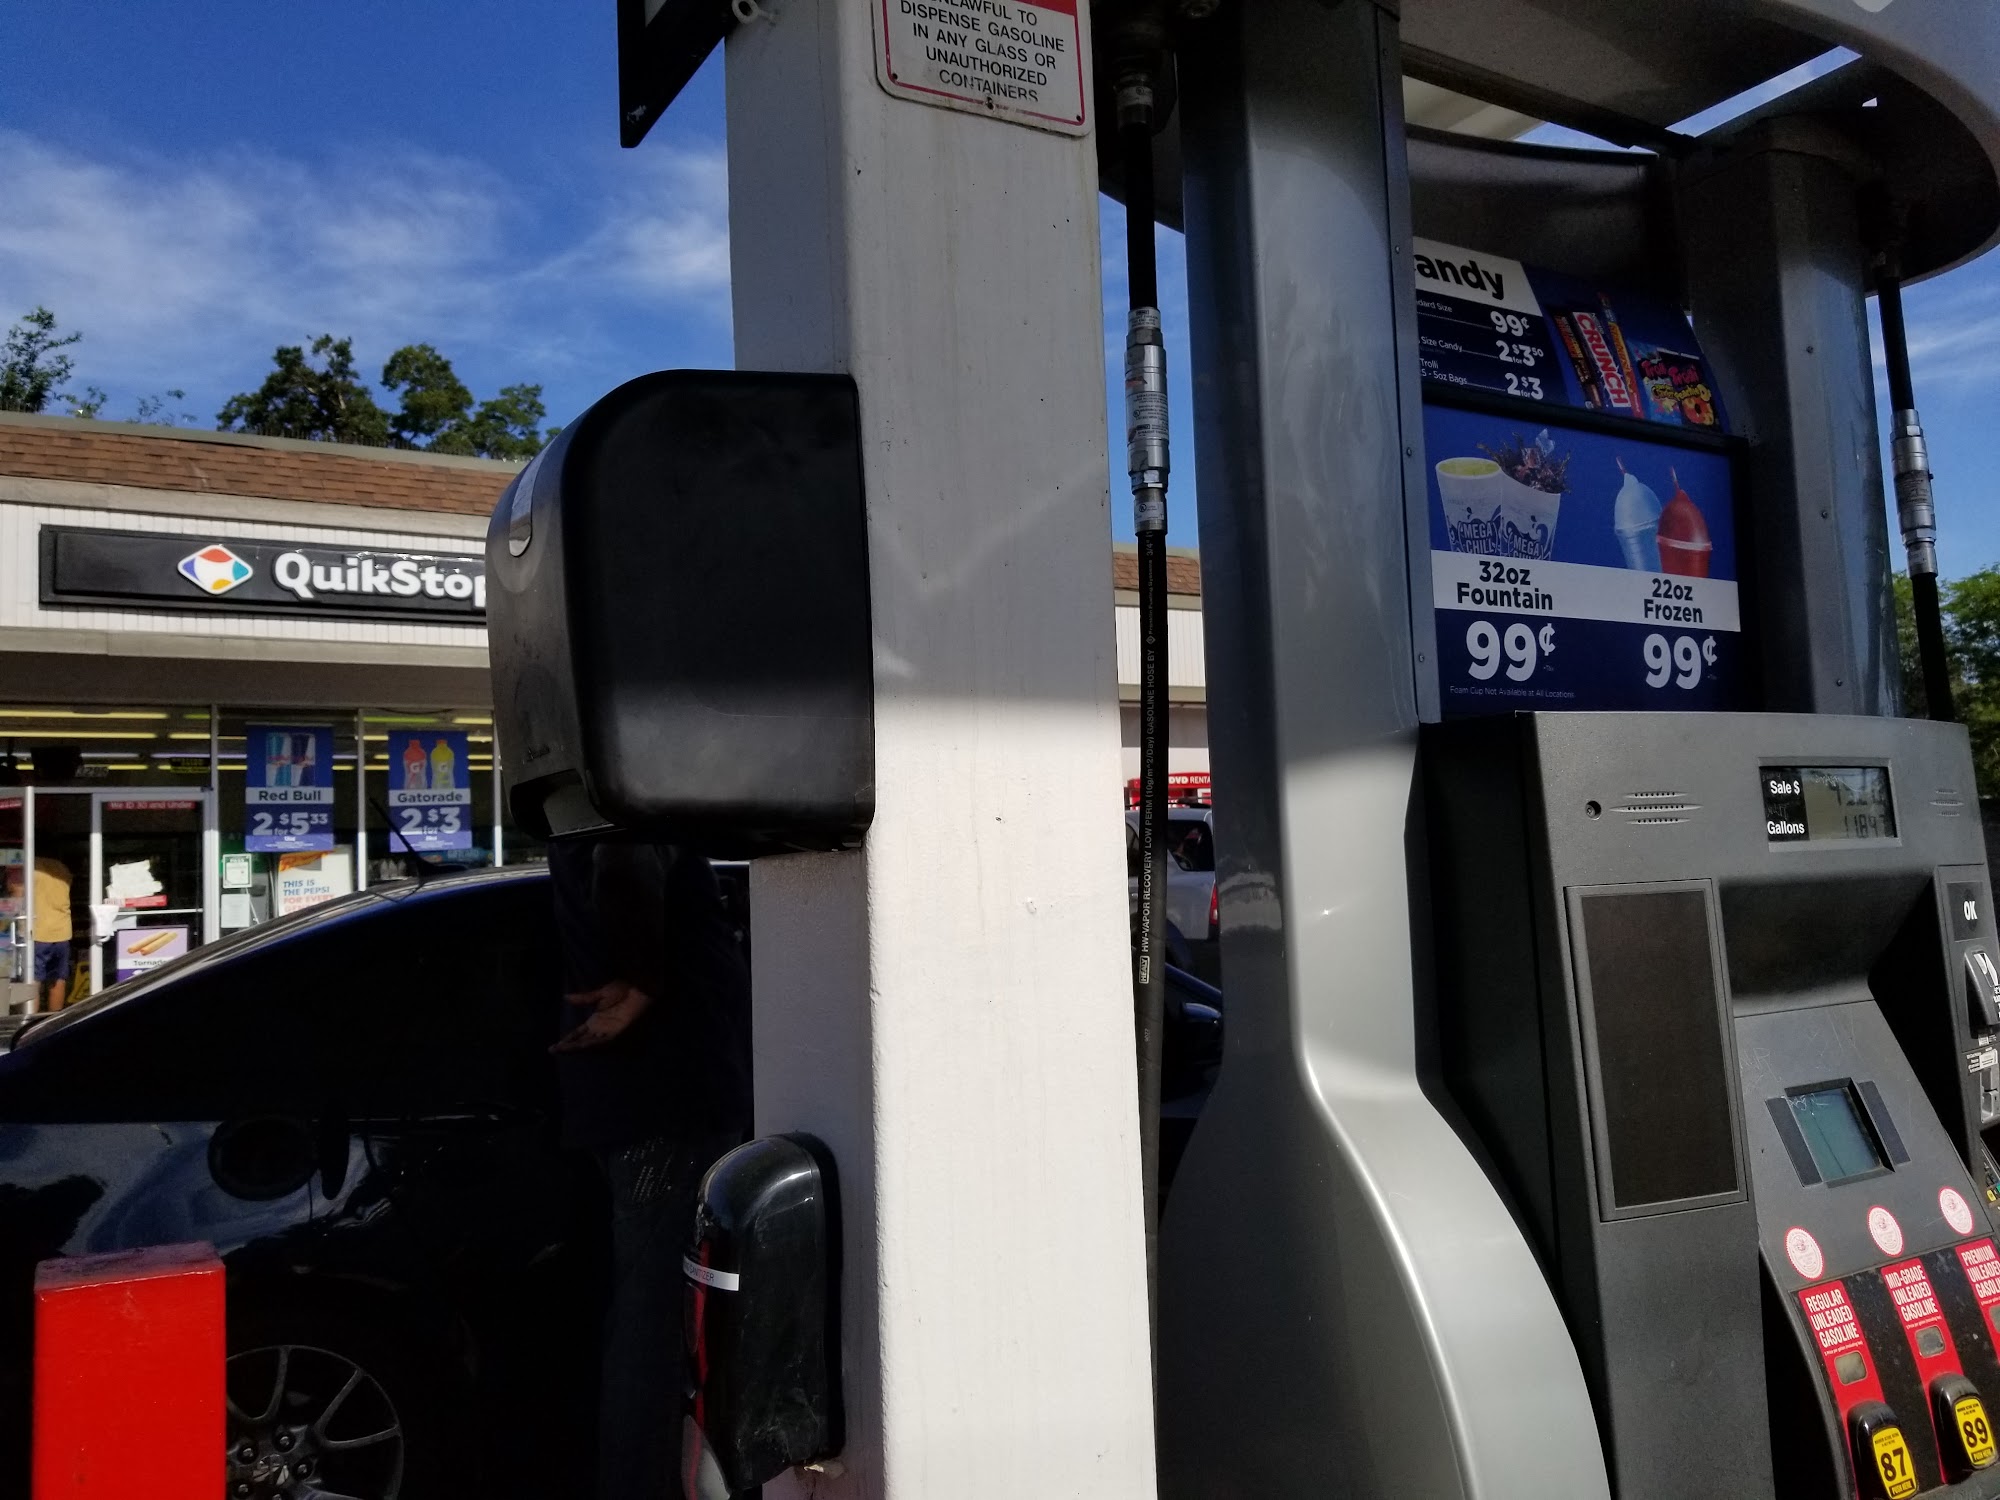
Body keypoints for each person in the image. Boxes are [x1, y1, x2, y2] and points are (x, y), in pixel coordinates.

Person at [548, 838, 752, 1500]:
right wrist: (644, 984)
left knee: (649, 1319)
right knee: (658, 1327)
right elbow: (628, 855)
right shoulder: (630, 802)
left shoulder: (574, 805)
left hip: (636, 1097)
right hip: (668, 1095)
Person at [31, 855, 73, 1011]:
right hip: (62, 931)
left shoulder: (31, 867)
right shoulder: (61, 868)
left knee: (32, 981)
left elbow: (16, 892)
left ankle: (29, 1021)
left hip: (38, 931)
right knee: (58, 979)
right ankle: (55, 1019)